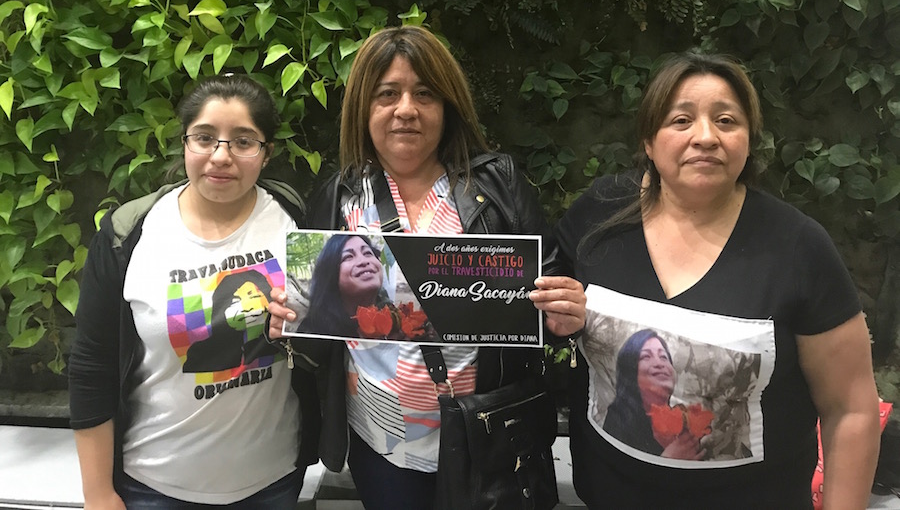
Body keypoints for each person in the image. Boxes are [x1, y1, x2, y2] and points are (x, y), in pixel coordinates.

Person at [268, 25, 585, 510]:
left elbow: (546, 293)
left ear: (447, 106)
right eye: (387, 94)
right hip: (381, 441)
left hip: (488, 436)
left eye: (424, 94)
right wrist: (289, 323)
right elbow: (320, 331)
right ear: (363, 108)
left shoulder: (496, 185)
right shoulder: (339, 196)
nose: (406, 109)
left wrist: (563, 313)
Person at [556, 53, 881, 508]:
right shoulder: (600, 212)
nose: (706, 137)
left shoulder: (796, 247)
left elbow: (850, 409)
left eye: (726, 121)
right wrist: (558, 318)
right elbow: (542, 306)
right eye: (681, 120)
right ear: (648, 140)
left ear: (748, 140)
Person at [68, 75, 320, 509]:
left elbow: (324, 335)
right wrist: (97, 493)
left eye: (243, 141)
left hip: (274, 480)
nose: (221, 156)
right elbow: (92, 365)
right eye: (204, 138)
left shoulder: (294, 220)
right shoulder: (129, 235)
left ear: (266, 153)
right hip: (154, 486)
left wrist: (302, 328)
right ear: (184, 142)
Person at [602, 329, 704, 460]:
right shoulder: (618, 418)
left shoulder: (685, 420)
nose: (659, 363)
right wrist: (668, 460)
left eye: (663, 357)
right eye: (646, 356)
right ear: (630, 371)